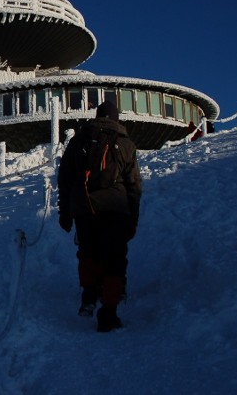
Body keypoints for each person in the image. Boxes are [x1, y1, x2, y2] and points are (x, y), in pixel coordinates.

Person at [57, 100, 143, 332]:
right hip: (116, 209)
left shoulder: (78, 141)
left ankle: (88, 295)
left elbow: (65, 179)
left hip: (85, 208)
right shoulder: (125, 144)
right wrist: (132, 217)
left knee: (88, 252)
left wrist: (65, 212)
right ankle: (109, 312)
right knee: (115, 258)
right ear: (116, 118)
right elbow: (134, 185)